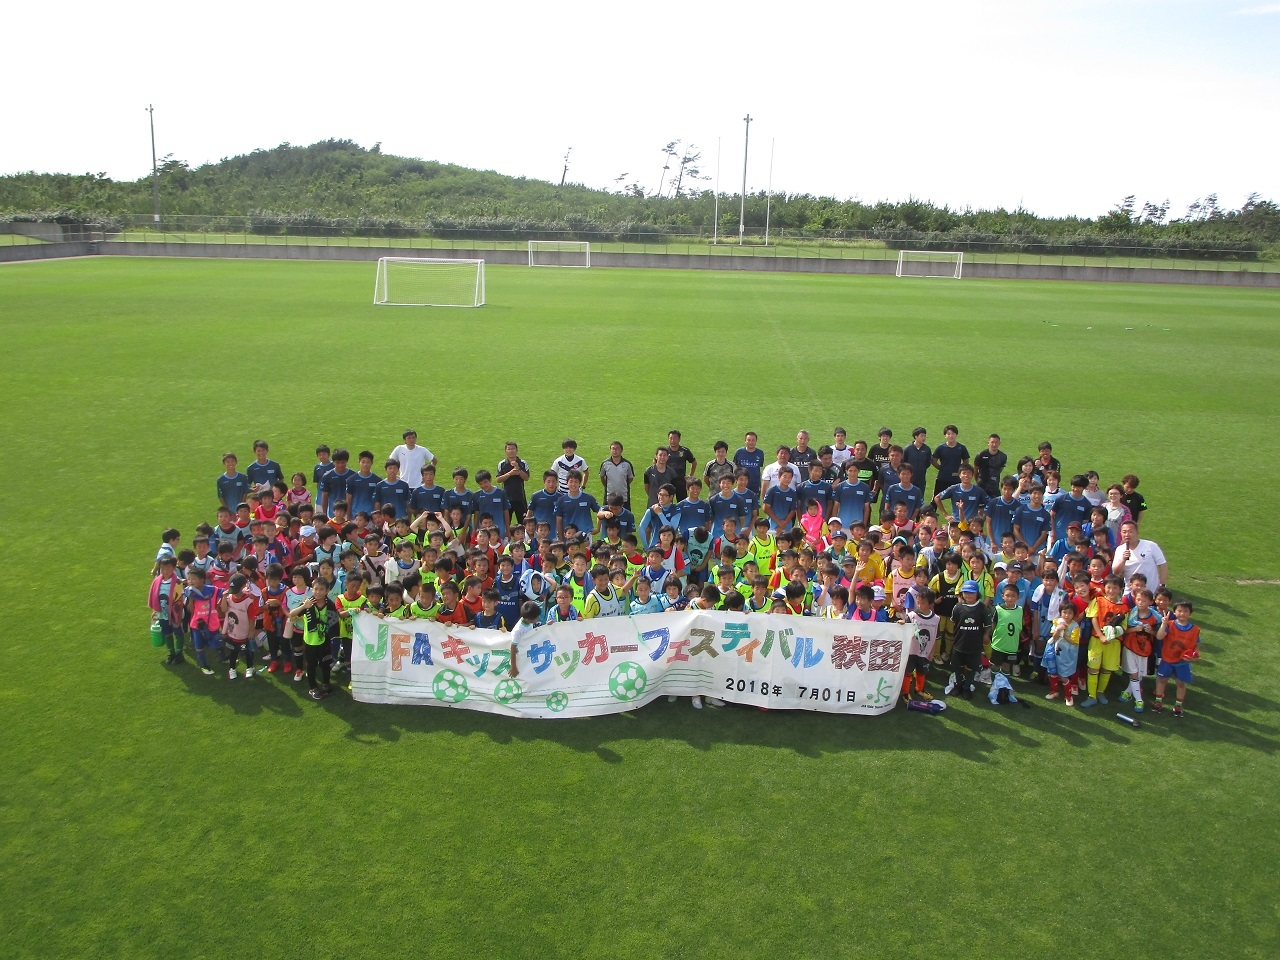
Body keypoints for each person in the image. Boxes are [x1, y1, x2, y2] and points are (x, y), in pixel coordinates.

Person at [1081, 574, 1130, 708]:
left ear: (1120, 589)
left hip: (1113, 643)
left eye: (1115, 588)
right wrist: (1101, 635)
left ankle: (1100, 692)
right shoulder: (1098, 601)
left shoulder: (1124, 608)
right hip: (1097, 640)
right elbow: (1094, 618)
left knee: (1107, 669)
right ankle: (1092, 696)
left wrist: (1114, 633)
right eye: (1109, 587)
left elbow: (1124, 627)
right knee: (1093, 667)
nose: (1111, 591)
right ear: (1105, 587)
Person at [290, 577, 338, 700]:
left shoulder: (331, 605)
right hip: (310, 642)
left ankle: (326, 683)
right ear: (312, 589)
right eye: (316, 589)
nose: (318, 592)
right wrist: (303, 607)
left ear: (327, 591)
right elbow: (292, 614)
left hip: (324, 641)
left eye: (321, 589)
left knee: (325, 664)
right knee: (311, 665)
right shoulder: (308, 603)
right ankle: (313, 687)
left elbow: (334, 625)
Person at [945, 581, 991, 699]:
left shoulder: (982, 608)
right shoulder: (958, 607)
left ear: (977, 593)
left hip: (975, 645)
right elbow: (954, 622)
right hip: (959, 643)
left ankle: (967, 687)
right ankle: (958, 685)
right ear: (962, 594)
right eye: (966, 592)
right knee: (957, 666)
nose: (968, 595)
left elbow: (987, 624)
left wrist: (986, 635)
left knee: (972, 667)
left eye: (971, 593)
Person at [1153, 600, 1199, 717]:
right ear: (1174, 612)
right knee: (1162, 680)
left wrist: (1194, 657)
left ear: (1190, 613)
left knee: (1181, 683)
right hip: (1167, 659)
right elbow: (1159, 636)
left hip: (1183, 663)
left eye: (1185, 611)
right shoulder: (1169, 624)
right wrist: (1163, 624)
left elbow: (1197, 645)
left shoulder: (1194, 630)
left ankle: (1178, 704)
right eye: (1179, 611)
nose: (1182, 614)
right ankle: (1158, 701)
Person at [1119, 588, 1161, 713]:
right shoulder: (1131, 613)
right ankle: (1139, 700)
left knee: (1139, 674)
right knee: (1134, 673)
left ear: (1150, 602)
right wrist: (1134, 629)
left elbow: (1160, 634)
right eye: (1138, 599)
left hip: (1144, 649)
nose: (1140, 602)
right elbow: (1123, 630)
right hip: (1130, 647)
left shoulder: (1155, 617)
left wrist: (1151, 632)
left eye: (1144, 600)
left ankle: (1127, 692)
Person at [219, 573, 260, 680]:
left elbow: (252, 617)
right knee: (233, 652)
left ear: (243, 587)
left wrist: (251, 630)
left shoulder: (248, 601)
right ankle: (232, 669)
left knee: (247, 651)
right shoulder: (228, 597)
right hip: (231, 631)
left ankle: (249, 668)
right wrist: (224, 598)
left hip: (244, 632)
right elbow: (223, 610)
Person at [149, 556, 187, 666]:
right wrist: (155, 610)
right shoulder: (157, 581)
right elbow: (155, 596)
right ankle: (172, 653)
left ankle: (179, 654)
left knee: (178, 632)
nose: (165, 571)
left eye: (168, 568)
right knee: (167, 633)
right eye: (162, 568)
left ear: (174, 568)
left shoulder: (178, 582)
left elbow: (181, 598)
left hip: (174, 614)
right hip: (162, 614)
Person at [1111, 520, 1168, 589]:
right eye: (1124, 532)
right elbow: (1116, 572)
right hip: (1131, 592)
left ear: (1137, 533)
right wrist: (1123, 560)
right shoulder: (1120, 550)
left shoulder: (1150, 546)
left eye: (1130, 532)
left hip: (1151, 591)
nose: (1127, 534)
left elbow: (1163, 565)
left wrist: (1162, 585)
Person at [1045, 602, 1081, 705]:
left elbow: (1073, 641)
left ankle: (1069, 696)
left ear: (1074, 614)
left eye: (1070, 613)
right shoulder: (1056, 622)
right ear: (1060, 612)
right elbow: (1054, 637)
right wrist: (1058, 629)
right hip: (1055, 653)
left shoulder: (1075, 626)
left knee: (1064, 676)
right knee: (1053, 673)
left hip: (1067, 655)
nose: (1066, 615)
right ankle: (1054, 691)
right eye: (1064, 612)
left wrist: (1063, 632)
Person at [493, 441, 530, 523]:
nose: (511, 451)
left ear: (516, 450)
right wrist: (510, 473)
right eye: (509, 449)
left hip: (520, 498)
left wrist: (518, 469)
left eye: (513, 449)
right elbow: (498, 479)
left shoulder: (523, 463)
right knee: (505, 522)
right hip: (506, 498)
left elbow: (526, 478)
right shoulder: (502, 464)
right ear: (505, 451)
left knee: (524, 522)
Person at [930, 425, 969, 497]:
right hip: (942, 478)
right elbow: (934, 461)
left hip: (956, 479)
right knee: (936, 499)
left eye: (953, 434)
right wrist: (941, 468)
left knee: (958, 500)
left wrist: (960, 470)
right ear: (945, 436)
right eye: (948, 434)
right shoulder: (940, 448)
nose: (951, 436)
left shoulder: (961, 448)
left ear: (956, 435)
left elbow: (966, 461)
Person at [597, 441, 634, 509]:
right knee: (608, 517)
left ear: (621, 450)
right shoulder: (605, 464)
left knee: (625, 517)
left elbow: (630, 478)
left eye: (617, 448)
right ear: (610, 450)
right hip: (609, 497)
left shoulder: (627, 464)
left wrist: (623, 484)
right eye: (613, 448)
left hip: (624, 497)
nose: (615, 451)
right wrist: (607, 485)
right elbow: (602, 477)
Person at [665, 430, 697, 500]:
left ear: (679, 439)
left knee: (682, 502)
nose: (673, 440)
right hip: (668, 481)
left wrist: (690, 476)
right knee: (667, 502)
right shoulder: (665, 451)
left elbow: (694, 462)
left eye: (675, 438)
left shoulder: (684, 451)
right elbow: (656, 461)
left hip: (681, 482)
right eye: (671, 438)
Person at [974, 433, 1008, 497]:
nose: (994, 444)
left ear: (999, 443)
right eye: (992, 442)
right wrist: (978, 480)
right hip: (981, 486)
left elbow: (999, 469)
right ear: (988, 443)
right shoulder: (981, 455)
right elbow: (975, 470)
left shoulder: (1003, 456)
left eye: (996, 442)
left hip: (994, 487)